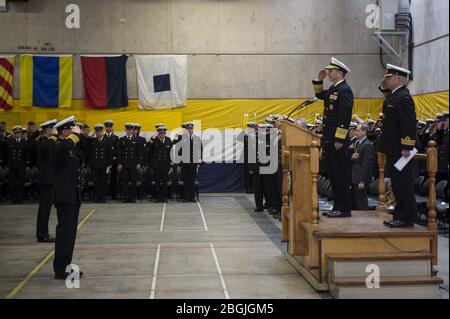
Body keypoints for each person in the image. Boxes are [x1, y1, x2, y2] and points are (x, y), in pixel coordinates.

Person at [313, 57, 354, 218]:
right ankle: (337, 206)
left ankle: (344, 208)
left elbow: (344, 117)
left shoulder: (345, 90)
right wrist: (318, 80)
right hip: (329, 139)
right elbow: (320, 95)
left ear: (339, 73)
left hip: (337, 141)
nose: (328, 73)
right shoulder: (333, 89)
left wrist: (339, 139)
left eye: (330, 71)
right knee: (333, 175)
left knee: (340, 175)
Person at [378, 64, 417, 228]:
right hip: (393, 148)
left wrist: (407, 147)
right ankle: (399, 215)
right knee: (397, 184)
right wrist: (383, 87)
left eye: (389, 77)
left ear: (399, 79)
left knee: (403, 184)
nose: (387, 80)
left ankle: (406, 218)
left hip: (401, 150)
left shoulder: (404, 97)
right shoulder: (396, 96)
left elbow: (408, 124)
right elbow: (389, 104)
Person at [52, 116, 83, 280]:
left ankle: (66, 265)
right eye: (71, 129)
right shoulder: (57, 146)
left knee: (70, 235)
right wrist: (73, 136)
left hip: (72, 197)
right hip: (64, 198)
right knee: (64, 234)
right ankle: (59, 268)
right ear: (64, 131)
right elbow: (62, 149)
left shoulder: (69, 148)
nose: (74, 132)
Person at [36, 119, 58, 243]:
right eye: (52, 129)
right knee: (44, 209)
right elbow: (47, 148)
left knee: (46, 208)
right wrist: (54, 136)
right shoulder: (42, 142)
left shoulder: (47, 142)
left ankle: (43, 233)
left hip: (49, 179)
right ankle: (42, 234)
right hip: (46, 179)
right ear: (48, 129)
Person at [176, 122, 202, 202]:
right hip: (184, 163)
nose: (190, 130)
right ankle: (186, 197)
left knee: (192, 180)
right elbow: (178, 150)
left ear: (192, 129)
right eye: (188, 129)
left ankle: (192, 197)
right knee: (186, 180)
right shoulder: (181, 138)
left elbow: (200, 150)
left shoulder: (197, 138)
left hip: (193, 163)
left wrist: (199, 162)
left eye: (191, 128)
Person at [351, 124, 374, 210]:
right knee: (356, 202)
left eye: (358, 130)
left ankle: (364, 219)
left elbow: (366, 165)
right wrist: (351, 157)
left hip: (360, 178)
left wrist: (362, 181)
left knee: (361, 203)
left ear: (364, 132)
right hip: (356, 177)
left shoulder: (367, 145)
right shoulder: (359, 143)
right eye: (356, 130)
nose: (355, 132)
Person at [117, 123, 141, 202]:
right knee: (125, 182)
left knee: (133, 181)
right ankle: (126, 197)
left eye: (130, 130)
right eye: (127, 130)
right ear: (125, 130)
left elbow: (138, 153)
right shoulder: (122, 139)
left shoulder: (136, 140)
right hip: (124, 164)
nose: (129, 131)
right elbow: (119, 153)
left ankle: (133, 197)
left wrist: (138, 163)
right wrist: (120, 163)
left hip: (133, 164)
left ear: (132, 130)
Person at [148, 125, 173, 203]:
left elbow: (172, 153)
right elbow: (148, 150)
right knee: (157, 182)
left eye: (163, 133)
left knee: (165, 182)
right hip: (157, 165)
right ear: (158, 133)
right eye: (160, 133)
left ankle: (164, 197)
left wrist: (171, 164)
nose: (162, 135)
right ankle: (158, 197)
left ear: (165, 133)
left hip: (166, 165)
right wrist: (152, 139)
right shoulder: (154, 140)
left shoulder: (169, 140)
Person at [6, 126, 29, 203]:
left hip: (21, 165)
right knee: (12, 182)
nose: (17, 134)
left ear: (21, 133)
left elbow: (26, 154)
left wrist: (27, 165)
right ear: (14, 134)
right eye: (16, 133)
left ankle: (20, 198)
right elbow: (6, 153)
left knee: (21, 182)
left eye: (19, 133)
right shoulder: (9, 141)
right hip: (12, 164)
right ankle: (13, 198)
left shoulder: (24, 142)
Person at [88, 124, 111, 203]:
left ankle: (103, 197)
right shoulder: (92, 141)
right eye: (97, 132)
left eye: (100, 131)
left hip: (104, 165)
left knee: (103, 181)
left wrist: (109, 164)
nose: (98, 133)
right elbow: (89, 152)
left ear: (102, 132)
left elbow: (109, 154)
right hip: (95, 165)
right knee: (96, 181)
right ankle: (97, 196)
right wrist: (90, 137)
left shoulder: (107, 141)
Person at [104, 120, 120, 200]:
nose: (108, 128)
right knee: (104, 179)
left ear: (112, 127)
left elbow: (117, 150)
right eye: (107, 126)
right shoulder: (103, 137)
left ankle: (114, 195)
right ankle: (105, 194)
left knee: (113, 179)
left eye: (110, 126)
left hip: (113, 161)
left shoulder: (116, 138)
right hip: (104, 161)